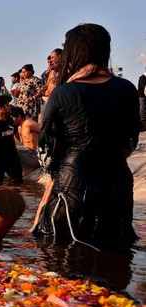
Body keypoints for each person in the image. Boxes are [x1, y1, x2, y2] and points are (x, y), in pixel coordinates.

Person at [32, 23, 141, 249]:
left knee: (63, 262)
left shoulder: (62, 93)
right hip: (117, 188)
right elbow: (131, 142)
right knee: (116, 261)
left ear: (73, 53)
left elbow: (46, 156)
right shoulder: (128, 89)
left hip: (73, 190)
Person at [0, 95, 22, 185]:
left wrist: (16, 156)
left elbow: (12, 137)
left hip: (12, 158)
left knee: (17, 184)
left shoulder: (10, 120)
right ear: (1, 108)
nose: (10, 106)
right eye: (7, 105)